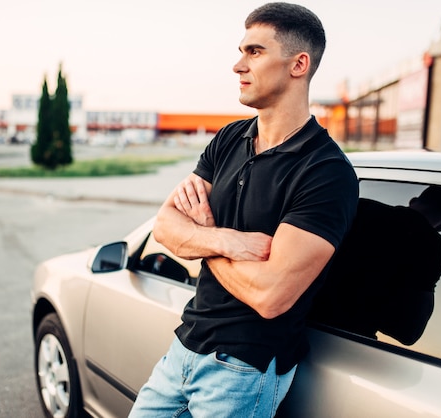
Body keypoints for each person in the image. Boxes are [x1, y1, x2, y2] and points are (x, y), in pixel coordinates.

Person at [128, 3, 359, 417]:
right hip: (183, 348)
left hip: (242, 370)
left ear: (298, 64)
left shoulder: (325, 172)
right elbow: (165, 226)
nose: (238, 65)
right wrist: (225, 239)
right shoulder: (230, 137)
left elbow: (270, 296)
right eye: (241, 51)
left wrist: (198, 240)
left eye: (254, 52)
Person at [309, 186, 441, 345]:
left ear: (413, 200)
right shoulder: (430, 247)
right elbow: (409, 332)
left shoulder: (360, 206)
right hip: (343, 340)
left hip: (300, 321)